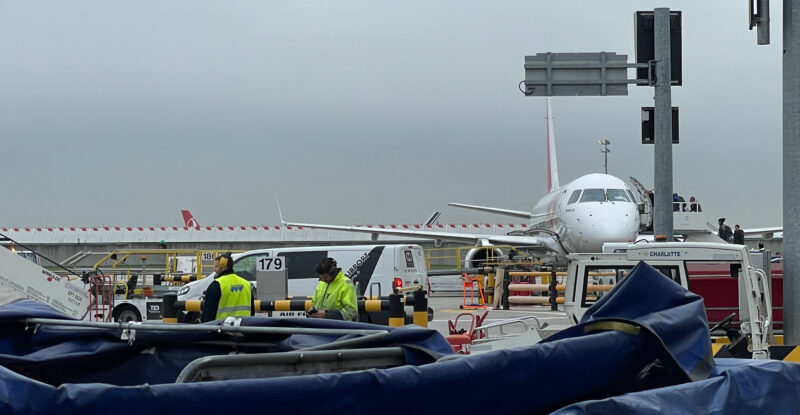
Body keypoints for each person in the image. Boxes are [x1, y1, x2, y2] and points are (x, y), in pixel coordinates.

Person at [201, 252, 255, 322]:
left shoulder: (217, 285)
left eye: (216, 266)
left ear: (224, 266)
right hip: (244, 328)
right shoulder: (246, 284)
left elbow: (208, 315)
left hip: (221, 329)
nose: (214, 269)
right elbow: (252, 311)